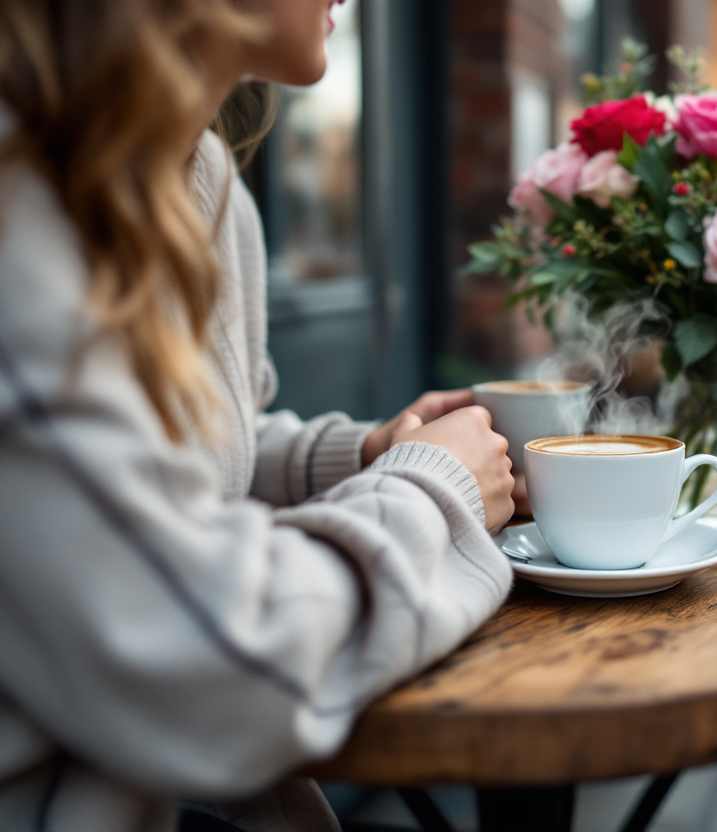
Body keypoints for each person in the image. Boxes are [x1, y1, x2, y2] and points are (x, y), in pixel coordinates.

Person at [0, 2, 517, 831]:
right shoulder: (22, 215)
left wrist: (362, 456)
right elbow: (207, 664)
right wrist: (436, 488)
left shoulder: (196, 180)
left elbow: (185, 453)